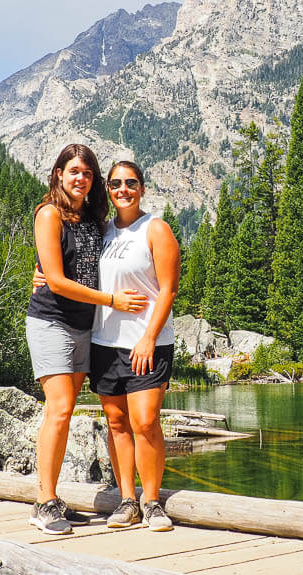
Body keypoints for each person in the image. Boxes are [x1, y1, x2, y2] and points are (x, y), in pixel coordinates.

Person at [25, 145, 148, 535]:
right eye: (74, 171)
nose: (81, 179)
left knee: (66, 409)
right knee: (59, 410)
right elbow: (58, 281)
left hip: (85, 327)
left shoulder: (93, 218)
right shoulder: (49, 214)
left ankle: (53, 498)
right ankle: (44, 502)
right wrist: (112, 301)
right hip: (51, 322)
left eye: (88, 173)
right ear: (58, 174)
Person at [92, 161, 180, 532]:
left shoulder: (155, 229)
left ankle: (153, 501)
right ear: (108, 189)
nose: (123, 189)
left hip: (148, 344)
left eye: (130, 182)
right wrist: (40, 274)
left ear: (142, 188)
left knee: (145, 422)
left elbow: (168, 289)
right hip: (104, 343)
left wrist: (147, 338)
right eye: (115, 183)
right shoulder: (102, 232)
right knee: (116, 422)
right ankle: (127, 500)